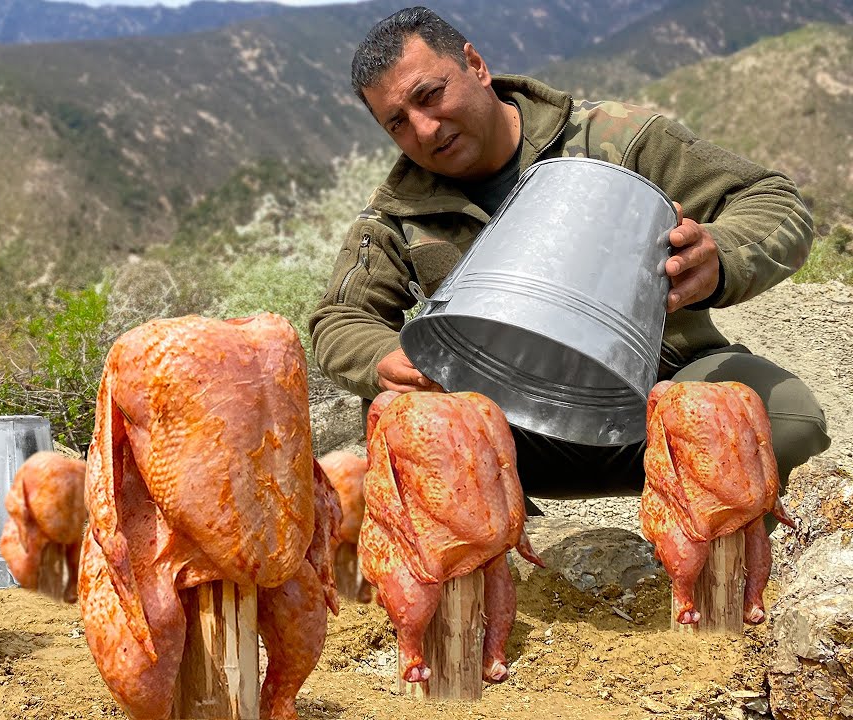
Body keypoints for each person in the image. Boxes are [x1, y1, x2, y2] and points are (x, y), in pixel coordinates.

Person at [309, 6, 831, 500]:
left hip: (662, 399)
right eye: (397, 122)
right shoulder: (397, 212)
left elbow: (773, 200)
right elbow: (338, 319)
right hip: (509, 432)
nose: (424, 129)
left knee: (781, 421)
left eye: (430, 95)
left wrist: (721, 256)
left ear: (475, 65)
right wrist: (387, 360)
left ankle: (719, 568)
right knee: (398, 412)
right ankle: (495, 562)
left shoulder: (618, 140)